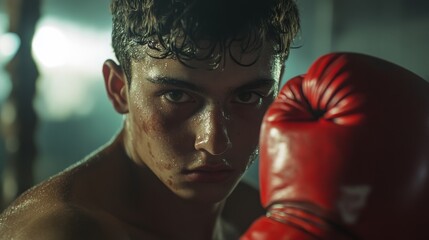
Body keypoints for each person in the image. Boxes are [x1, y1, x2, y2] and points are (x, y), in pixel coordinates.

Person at [0, 0, 300, 239]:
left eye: (247, 98)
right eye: (177, 96)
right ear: (119, 89)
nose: (215, 142)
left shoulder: (262, 216)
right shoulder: (59, 232)